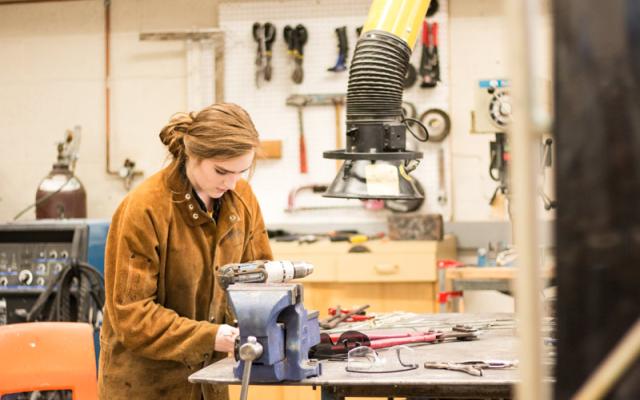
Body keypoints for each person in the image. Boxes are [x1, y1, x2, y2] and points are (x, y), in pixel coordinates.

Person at [98, 103, 273, 400]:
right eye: (221, 171)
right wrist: (211, 337)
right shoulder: (144, 208)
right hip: (145, 386)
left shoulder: (240, 198)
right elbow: (133, 317)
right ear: (192, 154)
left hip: (211, 383)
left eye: (241, 172)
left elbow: (259, 275)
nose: (231, 183)